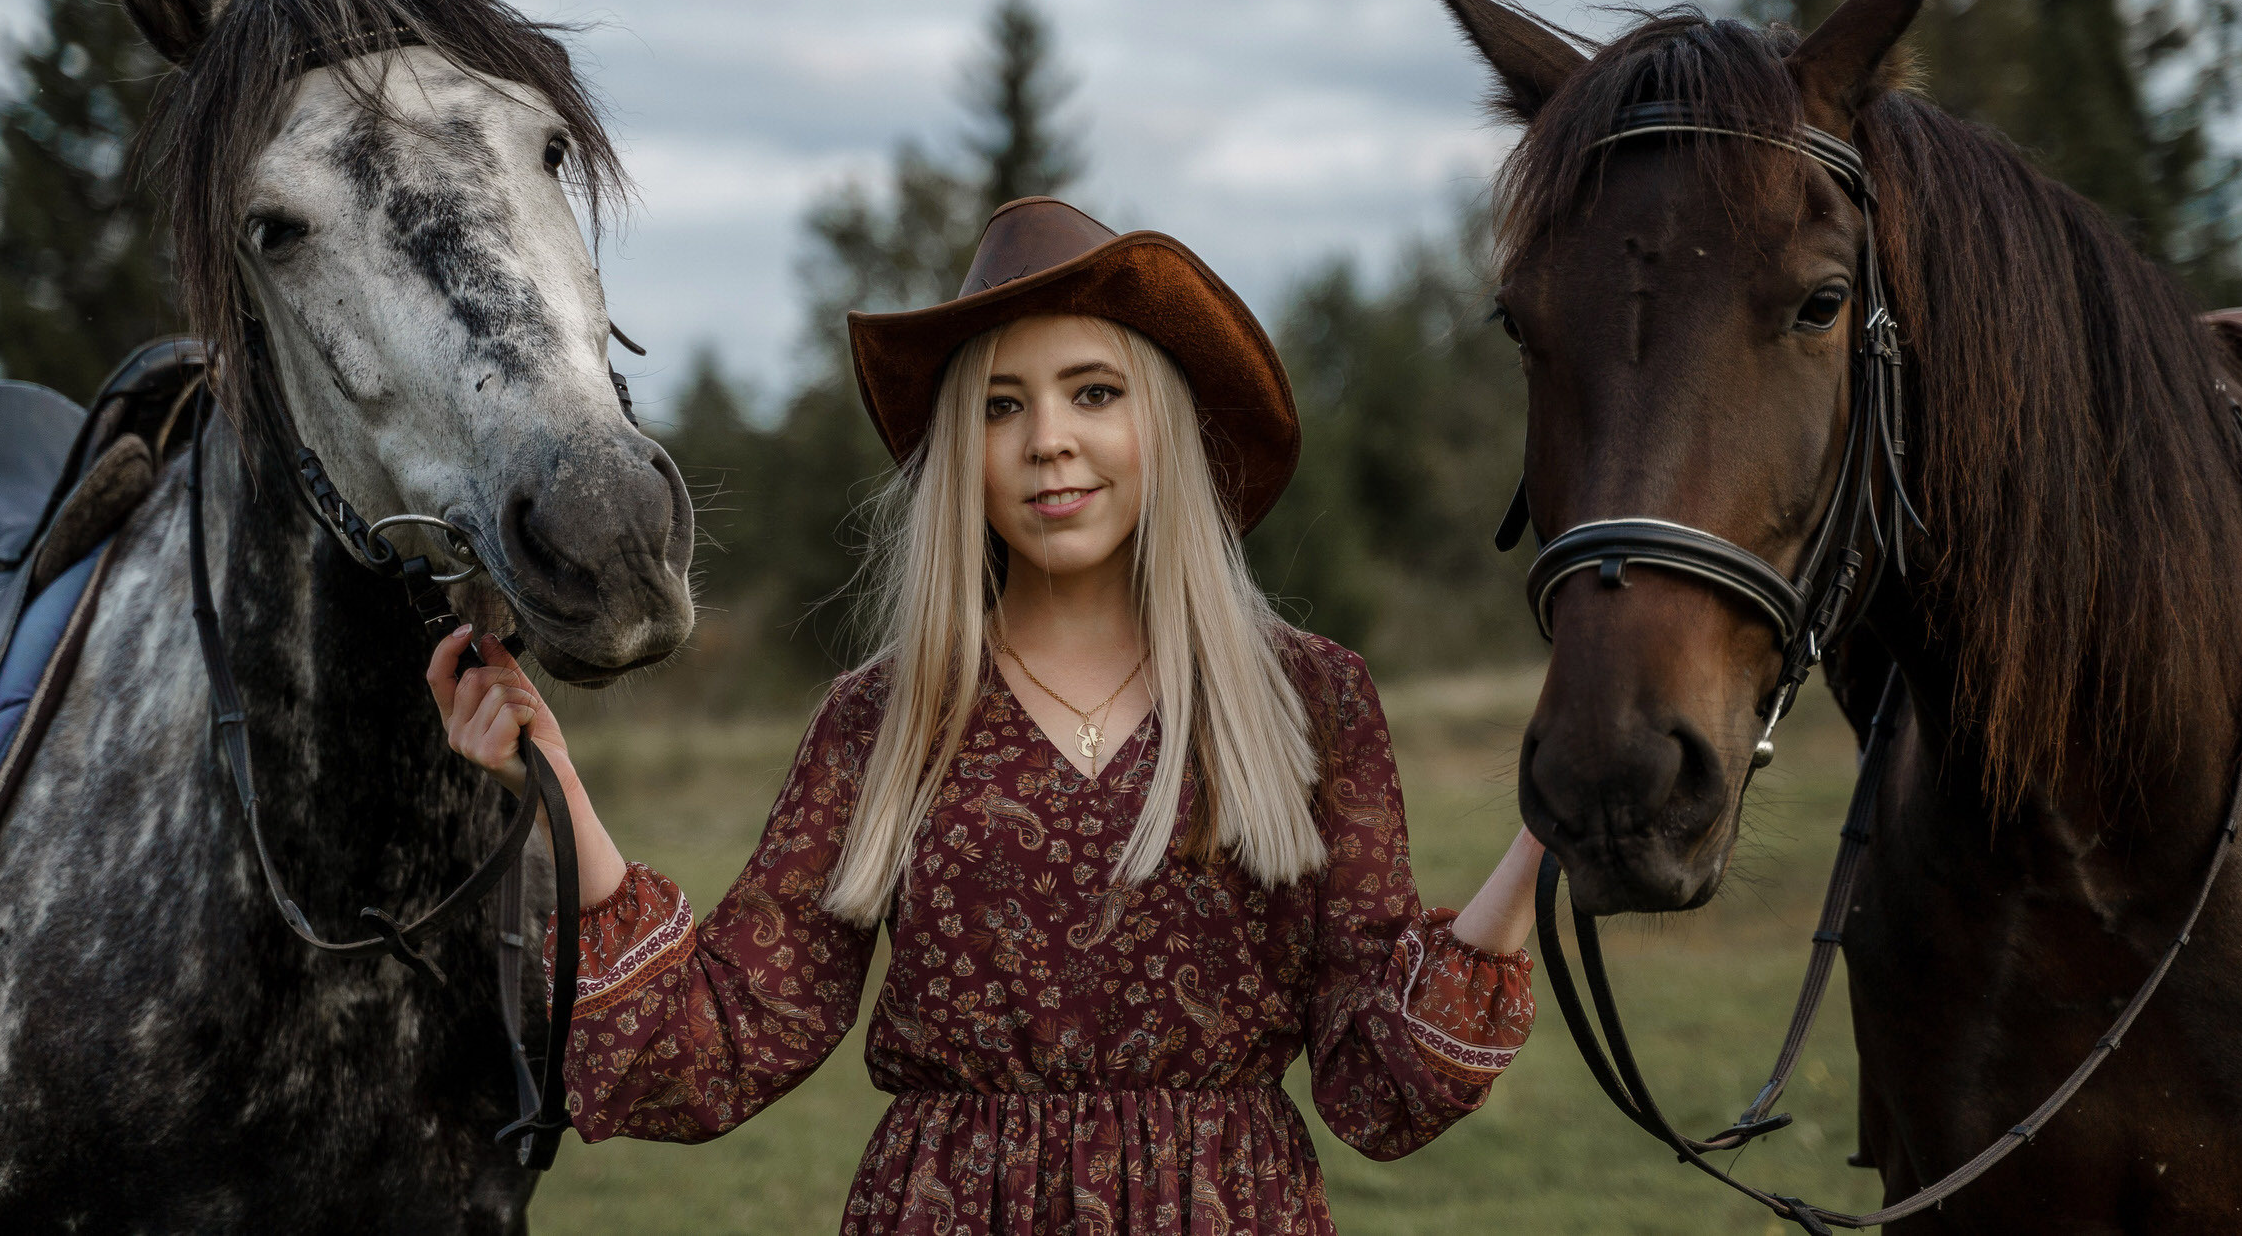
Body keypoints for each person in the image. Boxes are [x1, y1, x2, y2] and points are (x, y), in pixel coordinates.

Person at [430, 197, 1543, 1233]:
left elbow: (1379, 1088)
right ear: (962, 450)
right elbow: (717, 1046)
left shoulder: (1307, 700)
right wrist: (558, 786)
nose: (1047, 438)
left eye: (1093, 393)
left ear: (1164, 425)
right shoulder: (885, 718)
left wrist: (1545, 830)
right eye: (1002, 406)